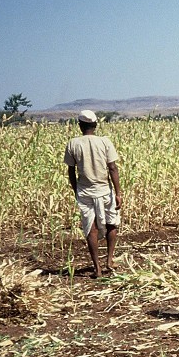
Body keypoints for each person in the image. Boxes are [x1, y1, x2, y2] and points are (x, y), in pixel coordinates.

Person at [64, 109, 122, 278]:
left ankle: (97, 269)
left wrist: (76, 191)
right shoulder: (105, 142)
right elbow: (113, 168)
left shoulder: (73, 144)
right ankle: (109, 261)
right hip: (105, 190)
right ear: (95, 125)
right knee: (112, 224)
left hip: (85, 191)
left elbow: (71, 171)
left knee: (91, 229)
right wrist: (118, 192)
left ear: (80, 125)